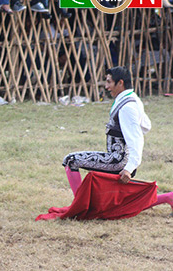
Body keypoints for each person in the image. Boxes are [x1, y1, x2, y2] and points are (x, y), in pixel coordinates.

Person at [62, 66, 173, 212]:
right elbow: (146, 125)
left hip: (117, 160)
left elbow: (136, 139)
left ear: (120, 83)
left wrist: (128, 168)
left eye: (109, 82)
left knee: (71, 160)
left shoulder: (127, 106)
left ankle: (80, 208)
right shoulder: (132, 99)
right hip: (120, 157)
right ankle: (168, 197)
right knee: (120, 204)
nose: (106, 86)